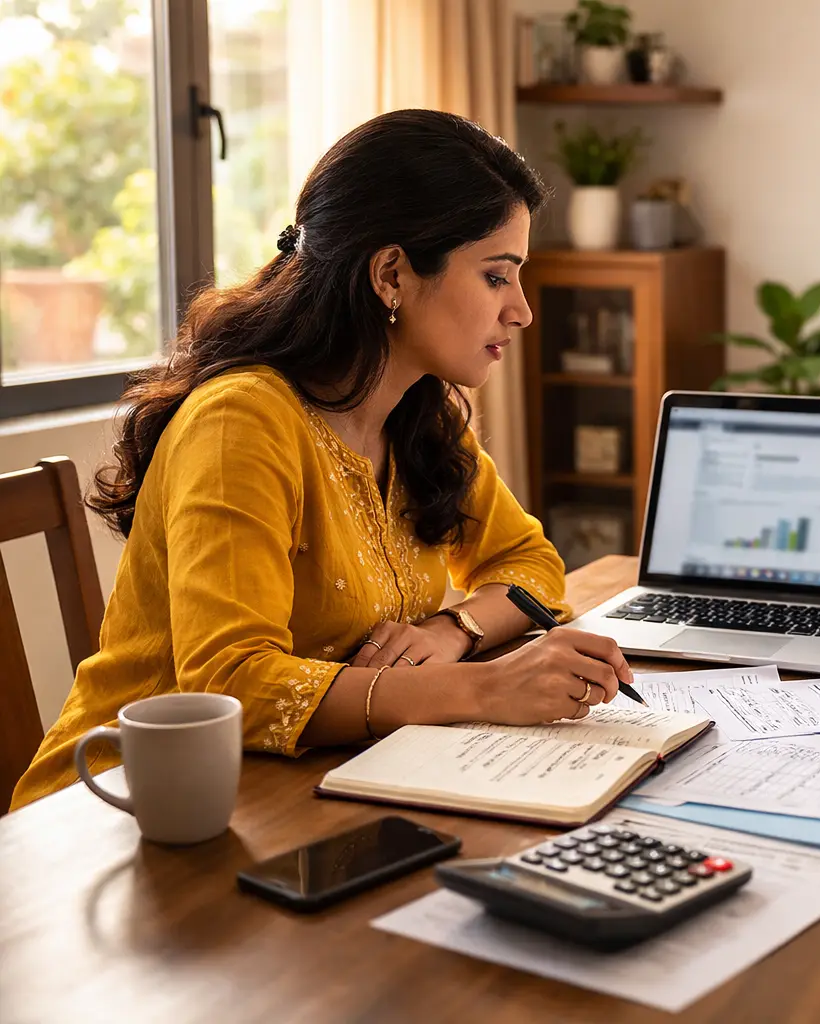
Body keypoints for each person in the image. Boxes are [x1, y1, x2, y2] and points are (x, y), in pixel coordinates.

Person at [12, 109, 634, 811]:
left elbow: (530, 564)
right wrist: (484, 687)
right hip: (125, 810)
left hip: (300, 787)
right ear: (392, 274)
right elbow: (230, 685)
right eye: (497, 276)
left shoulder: (420, 415)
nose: (521, 311)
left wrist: (450, 631)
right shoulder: (241, 423)